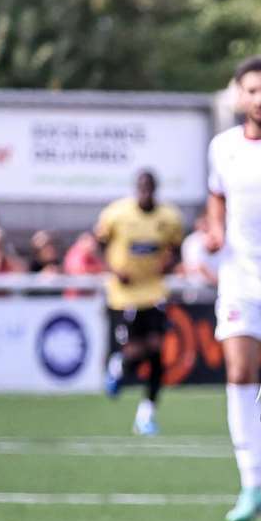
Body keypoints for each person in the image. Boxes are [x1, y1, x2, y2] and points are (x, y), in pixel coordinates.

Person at [205, 55, 261, 521]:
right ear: (239, 95)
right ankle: (248, 483)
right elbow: (216, 196)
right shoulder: (223, 147)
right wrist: (215, 232)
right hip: (239, 278)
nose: (260, 98)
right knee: (239, 370)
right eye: (252, 90)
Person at [96, 169, 184, 435]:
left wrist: (170, 262)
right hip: (125, 295)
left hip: (154, 291)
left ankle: (146, 414)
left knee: (158, 352)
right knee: (135, 350)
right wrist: (113, 269)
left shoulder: (169, 218)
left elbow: (176, 247)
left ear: (155, 189)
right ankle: (120, 365)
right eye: (141, 187)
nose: (145, 192)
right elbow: (99, 244)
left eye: (150, 187)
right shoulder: (116, 214)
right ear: (136, 188)